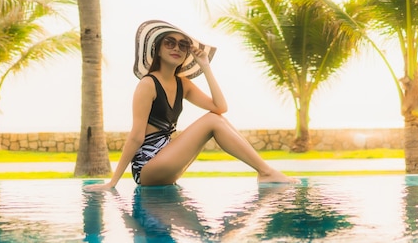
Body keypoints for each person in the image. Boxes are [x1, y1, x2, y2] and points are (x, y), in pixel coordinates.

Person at [83, 20, 294, 191]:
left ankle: (264, 171)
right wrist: (113, 182)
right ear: (157, 49)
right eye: (170, 43)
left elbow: (220, 107)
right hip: (147, 167)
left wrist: (206, 66)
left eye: (182, 45)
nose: (176, 48)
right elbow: (136, 136)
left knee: (217, 118)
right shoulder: (148, 85)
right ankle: (265, 172)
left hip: (167, 161)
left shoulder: (183, 84)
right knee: (212, 120)